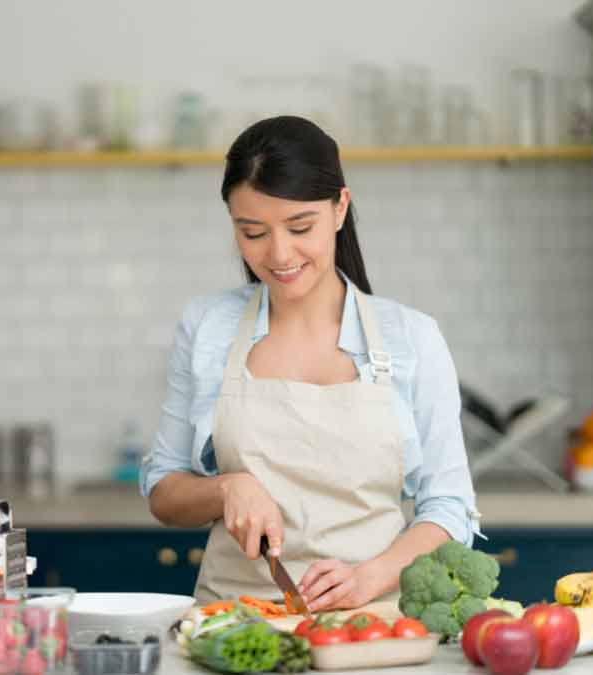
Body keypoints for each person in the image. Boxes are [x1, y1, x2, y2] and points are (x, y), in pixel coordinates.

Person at [140, 116, 480, 610]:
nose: (279, 254)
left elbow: (450, 509)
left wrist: (370, 577)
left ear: (340, 207)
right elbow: (164, 492)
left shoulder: (412, 338)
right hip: (235, 628)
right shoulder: (208, 326)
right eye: (252, 232)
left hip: (371, 629)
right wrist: (226, 488)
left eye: (300, 227)